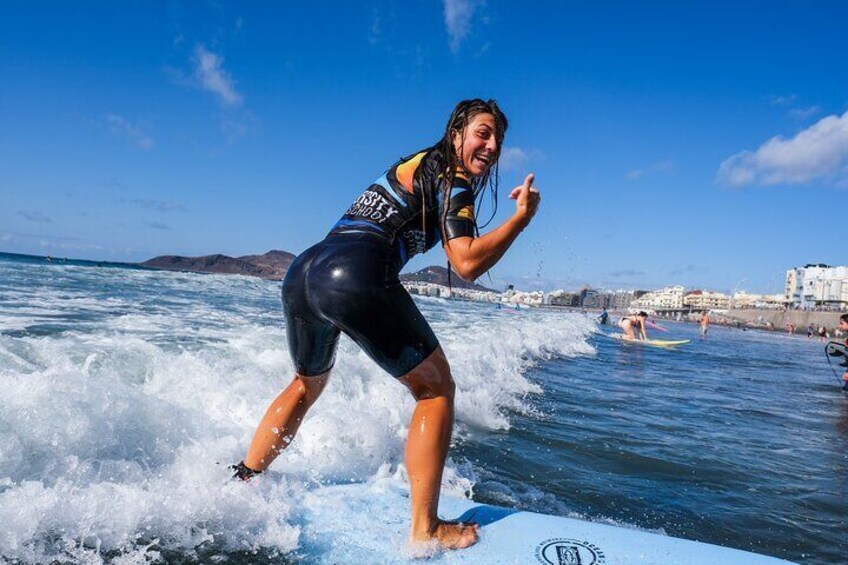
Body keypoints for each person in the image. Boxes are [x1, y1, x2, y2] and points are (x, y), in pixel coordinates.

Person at [232, 99, 540, 551]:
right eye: (483, 132)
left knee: (306, 384)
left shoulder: (415, 164)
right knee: (435, 390)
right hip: (354, 273)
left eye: (498, 139)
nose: (492, 146)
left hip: (304, 273)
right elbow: (467, 261)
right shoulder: (451, 174)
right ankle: (426, 527)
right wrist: (520, 220)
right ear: (456, 133)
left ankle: (244, 481)